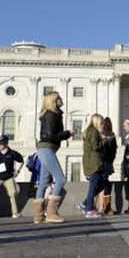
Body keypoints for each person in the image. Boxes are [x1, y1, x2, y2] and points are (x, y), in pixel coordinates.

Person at [33, 92, 75, 224]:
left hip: (45, 148)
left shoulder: (50, 114)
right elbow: (51, 136)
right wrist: (67, 133)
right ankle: (51, 212)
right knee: (61, 179)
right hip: (47, 148)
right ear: (54, 101)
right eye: (59, 99)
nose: (62, 100)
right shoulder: (52, 115)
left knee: (44, 181)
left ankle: (38, 215)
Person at [79, 114, 108, 218]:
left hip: (92, 162)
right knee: (93, 187)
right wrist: (105, 140)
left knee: (100, 186)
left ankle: (85, 204)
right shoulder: (94, 131)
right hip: (94, 163)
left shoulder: (90, 131)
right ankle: (89, 210)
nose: (103, 125)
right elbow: (95, 146)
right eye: (101, 123)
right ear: (96, 122)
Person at [98, 117, 118, 216]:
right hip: (106, 162)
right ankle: (105, 207)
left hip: (103, 162)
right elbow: (114, 150)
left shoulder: (103, 135)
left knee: (104, 183)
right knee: (105, 184)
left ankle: (104, 207)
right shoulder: (110, 135)